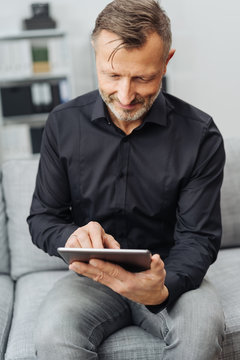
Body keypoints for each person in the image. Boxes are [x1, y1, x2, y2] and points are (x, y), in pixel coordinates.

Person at [27, 0, 226, 359]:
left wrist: (163, 290)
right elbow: (43, 219)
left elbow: (199, 238)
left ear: (166, 62)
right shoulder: (62, 124)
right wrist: (70, 235)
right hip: (94, 278)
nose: (125, 95)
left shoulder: (201, 135)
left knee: (201, 332)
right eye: (112, 75)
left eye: (143, 78)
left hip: (169, 276)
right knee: (52, 337)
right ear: (95, 56)